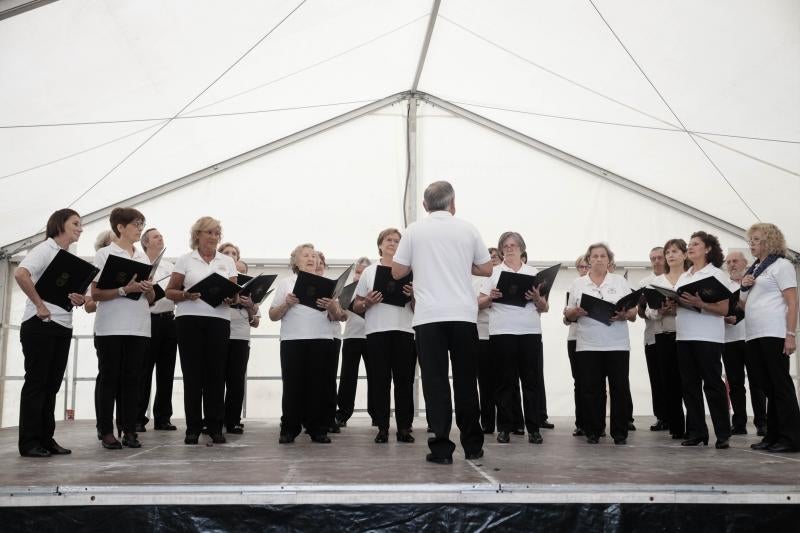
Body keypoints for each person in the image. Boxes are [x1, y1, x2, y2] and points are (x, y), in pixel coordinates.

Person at [392, 180, 492, 464]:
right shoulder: (468, 228)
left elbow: (398, 271)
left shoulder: (414, 231)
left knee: (435, 383)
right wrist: (460, 263)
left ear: (425, 205)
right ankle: (472, 445)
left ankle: (441, 449)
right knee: (466, 381)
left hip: (429, 317)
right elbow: (487, 268)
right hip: (463, 315)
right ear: (453, 203)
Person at [15, 209, 87, 457]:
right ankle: (29, 442)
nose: (80, 228)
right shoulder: (45, 249)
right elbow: (20, 273)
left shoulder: (67, 256)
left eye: (81, 224)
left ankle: (46, 438)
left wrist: (77, 298)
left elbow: (66, 291)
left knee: (52, 385)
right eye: (75, 223)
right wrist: (39, 305)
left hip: (62, 325)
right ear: (59, 225)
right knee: (37, 383)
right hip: (40, 325)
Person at [165, 217, 238, 445]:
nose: (214, 237)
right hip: (189, 320)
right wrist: (186, 295)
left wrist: (231, 298)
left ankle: (215, 427)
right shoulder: (185, 259)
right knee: (193, 375)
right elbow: (169, 292)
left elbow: (235, 295)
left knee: (216, 374)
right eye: (209, 232)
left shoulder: (227, 261)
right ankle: (193, 428)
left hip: (219, 320)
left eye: (217, 233)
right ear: (197, 235)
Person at [269, 243, 346, 444]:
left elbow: (339, 316)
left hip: (322, 339)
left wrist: (332, 307)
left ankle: (318, 429)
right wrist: (287, 303)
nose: (311, 258)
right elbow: (272, 315)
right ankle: (289, 429)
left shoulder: (329, 284)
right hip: (292, 340)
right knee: (292, 386)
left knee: (318, 386)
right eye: (305, 255)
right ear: (295, 261)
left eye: (313, 255)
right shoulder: (286, 283)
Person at [91, 207, 154, 450]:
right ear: (120, 227)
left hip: (139, 326)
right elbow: (96, 294)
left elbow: (151, 300)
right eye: (136, 224)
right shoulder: (104, 254)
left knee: (133, 379)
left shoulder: (143, 257)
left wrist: (148, 289)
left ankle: (129, 429)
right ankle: (106, 431)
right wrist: (124, 290)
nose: (140, 229)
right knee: (109, 378)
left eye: (141, 224)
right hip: (110, 327)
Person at [479, 232, 548, 444]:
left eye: (514, 245)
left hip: (529, 331)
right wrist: (490, 298)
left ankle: (534, 429)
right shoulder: (493, 272)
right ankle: (505, 428)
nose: (509, 248)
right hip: (502, 332)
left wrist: (537, 298)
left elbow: (545, 307)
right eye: (506, 246)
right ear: (501, 250)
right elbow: (478, 303)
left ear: (521, 249)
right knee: (504, 382)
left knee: (531, 381)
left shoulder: (533, 272)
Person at [564, 243, 636, 445]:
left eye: (603, 256)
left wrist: (624, 314)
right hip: (588, 344)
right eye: (594, 256)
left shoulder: (620, 282)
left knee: (619, 388)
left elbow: (633, 313)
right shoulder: (578, 283)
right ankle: (594, 431)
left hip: (617, 344)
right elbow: (568, 314)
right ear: (588, 260)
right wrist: (575, 312)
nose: (598, 259)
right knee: (591, 389)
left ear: (609, 259)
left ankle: (620, 433)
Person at [741, 223, 799, 453]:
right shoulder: (754, 269)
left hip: (773, 332)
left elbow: (792, 302)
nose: (751, 244)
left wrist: (790, 335)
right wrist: (743, 286)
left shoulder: (782, 265)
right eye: (750, 240)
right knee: (767, 387)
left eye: (756, 239)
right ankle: (773, 435)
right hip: (754, 334)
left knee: (780, 386)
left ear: (769, 240)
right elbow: (743, 304)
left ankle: (791, 438)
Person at [354, 229, 416, 443]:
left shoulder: (411, 269)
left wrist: (413, 295)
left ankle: (404, 428)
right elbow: (356, 305)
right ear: (380, 245)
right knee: (380, 380)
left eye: (397, 241)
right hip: (377, 331)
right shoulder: (369, 271)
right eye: (388, 240)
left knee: (404, 381)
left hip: (405, 330)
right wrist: (367, 302)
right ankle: (382, 427)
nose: (393, 243)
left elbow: (419, 307)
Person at [674, 231, 732, 449]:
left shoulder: (717, 274)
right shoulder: (684, 276)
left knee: (713, 385)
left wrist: (701, 304)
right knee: (689, 386)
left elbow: (724, 309)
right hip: (684, 336)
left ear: (708, 249)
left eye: (696, 244)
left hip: (708, 337)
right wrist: (672, 302)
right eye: (689, 244)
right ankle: (697, 432)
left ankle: (723, 433)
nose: (690, 247)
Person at [136, 227, 178, 432]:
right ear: (145, 242)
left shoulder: (171, 267)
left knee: (167, 371)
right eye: (155, 236)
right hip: (148, 320)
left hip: (169, 320)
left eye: (161, 236)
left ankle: (163, 417)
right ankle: (138, 417)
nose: (160, 238)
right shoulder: (139, 264)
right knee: (144, 370)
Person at [648, 239, 689, 440]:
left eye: (674, 251)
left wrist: (679, 308)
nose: (670, 255)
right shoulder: (657, 282)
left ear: (684, 254)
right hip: (664, 335)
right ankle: (677, 427)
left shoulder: (691, 278)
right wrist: (661, 310)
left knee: (689, 382)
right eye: (668, 252)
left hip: (687, 335)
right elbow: (649, 311)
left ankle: (695, 426)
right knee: (669, 383)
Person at [723, 250, 766, 436]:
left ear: (745, 263)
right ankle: (739, 423)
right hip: (729, 339)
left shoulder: (754, 282)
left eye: (735, 261)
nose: (732, 265)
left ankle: (761, 422)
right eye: (728, 262)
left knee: (757, 382)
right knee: (735, 383)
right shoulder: (723, 285)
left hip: (751, 337)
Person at [219, 242, 260, 435]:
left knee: (236, 381)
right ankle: (213, 419)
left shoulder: (251, 291)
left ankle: (233, 420)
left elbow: (255, 322)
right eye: (226, 252)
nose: (231, 255)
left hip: (241, 337)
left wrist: (250, 305)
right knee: (215, 379)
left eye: (234, 253)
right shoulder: (217, 277)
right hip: (218, 334)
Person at [336, 257, 372, 427]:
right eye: (358, 271)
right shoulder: (347, 290)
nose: (359, 275)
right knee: (347, 377)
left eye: (363, 272)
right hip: (351, 336)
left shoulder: (373, 289)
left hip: (372, 336)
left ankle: (377, 414)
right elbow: (340, 313)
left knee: (375, 376)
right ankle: (343, 414)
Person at [315, 250, 345, 433]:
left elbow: (343, 315)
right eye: (315, 262)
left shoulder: (333, 287)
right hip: (311, 337)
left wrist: (333, 307)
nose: (318, 265)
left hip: (332, 336)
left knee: (329, 378)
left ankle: (329, 417)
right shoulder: (299, 284)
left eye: (321, 263)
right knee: (311, 379)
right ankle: (308, 417)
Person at [639, 246, 667, 431]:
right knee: (656, 379)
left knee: (672, 378)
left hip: (673, 335)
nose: (656, 261)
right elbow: (640, 311)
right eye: (653, 258)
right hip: (652, 336)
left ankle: (676, 416)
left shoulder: (676, 278)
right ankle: (661, 416)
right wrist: (649, 310)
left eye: (659, 257)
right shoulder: (645, 282)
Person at [475, 247, 501, 434]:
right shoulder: (474, 279)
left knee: (504, 380)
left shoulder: (502, 277)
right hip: (482, 334)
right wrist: (487, 299)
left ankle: (509, 422)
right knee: (484, 382)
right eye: (488, 257)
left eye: (495, 257)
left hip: (502, 333)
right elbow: (471, 305)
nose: (492, 260)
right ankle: (487, 421)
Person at [564, 254, 590, 436]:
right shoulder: (573, 287)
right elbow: (566, 319)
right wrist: (571, 314)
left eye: (587, 266)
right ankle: (581, 423)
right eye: (581, 267)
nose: (584, 270)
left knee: (594, 383)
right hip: (575, 338)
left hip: (594, 339)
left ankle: (595, 423)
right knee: (579, 382)